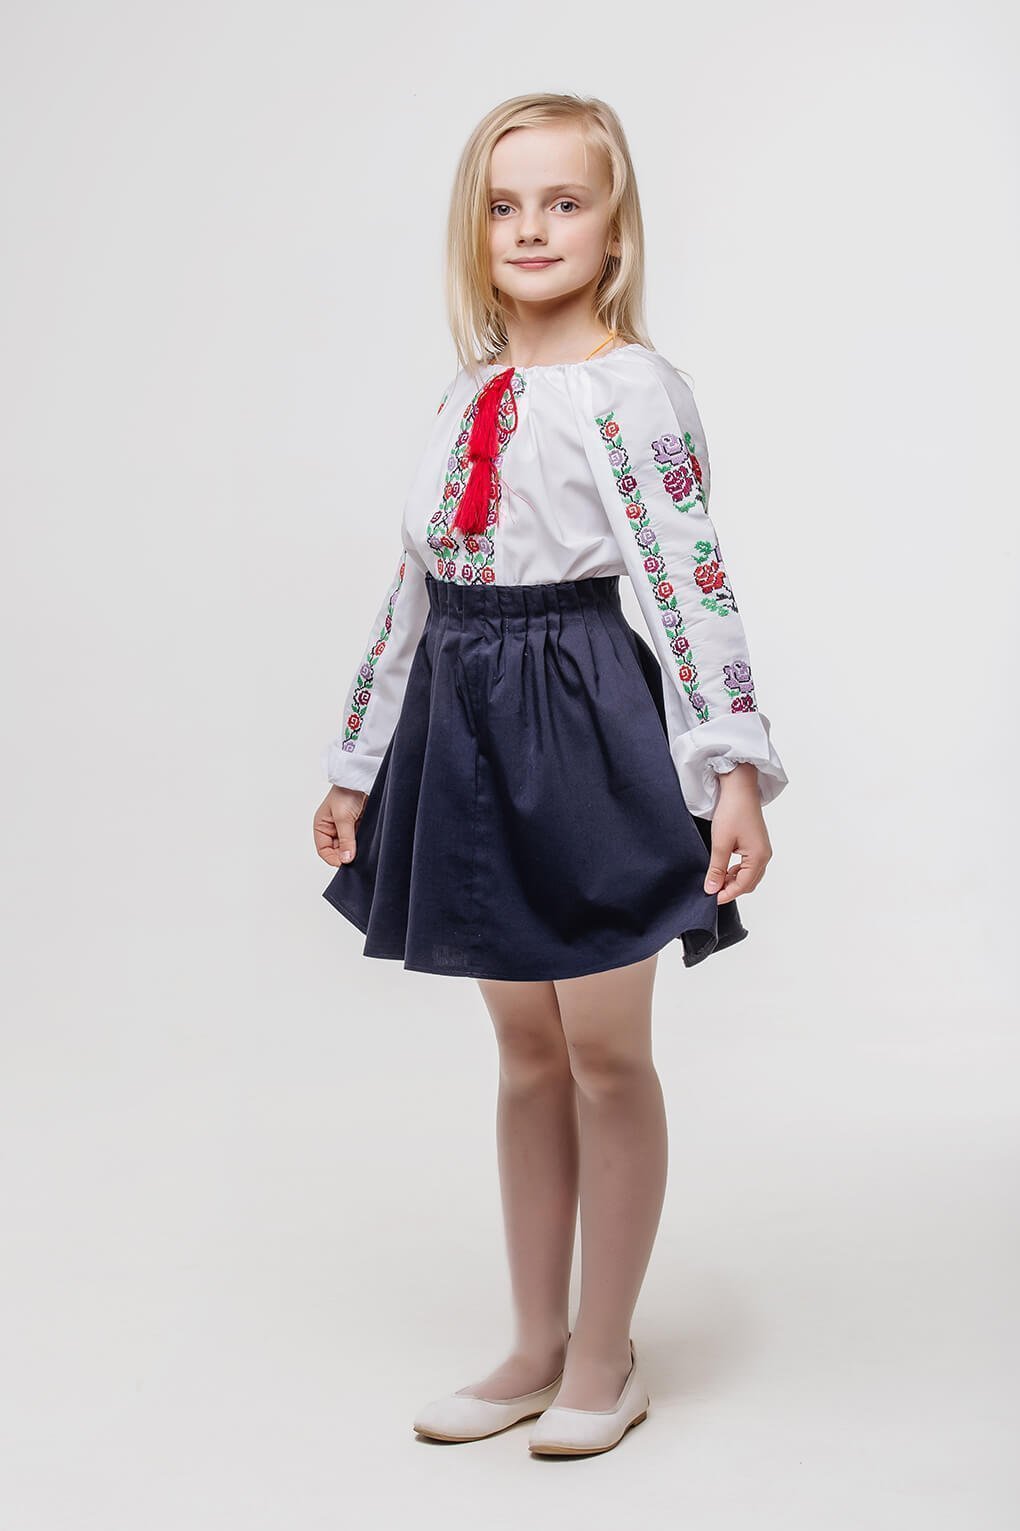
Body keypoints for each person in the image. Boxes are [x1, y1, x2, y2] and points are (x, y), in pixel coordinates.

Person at [311, 92, 789, 1457]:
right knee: (525, 1053)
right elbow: (415, 586)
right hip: (461, 716)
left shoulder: (633, 390)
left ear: (614, 227)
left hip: (581, 717)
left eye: (564, 202)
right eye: (505, 205)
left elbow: (689, 586)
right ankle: (532, 1341)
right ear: (477, 229)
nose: (531, 229)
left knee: (603, 1050)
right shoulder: (466, 393)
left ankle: (603, 1351)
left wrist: (732, 771)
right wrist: (357, 761)